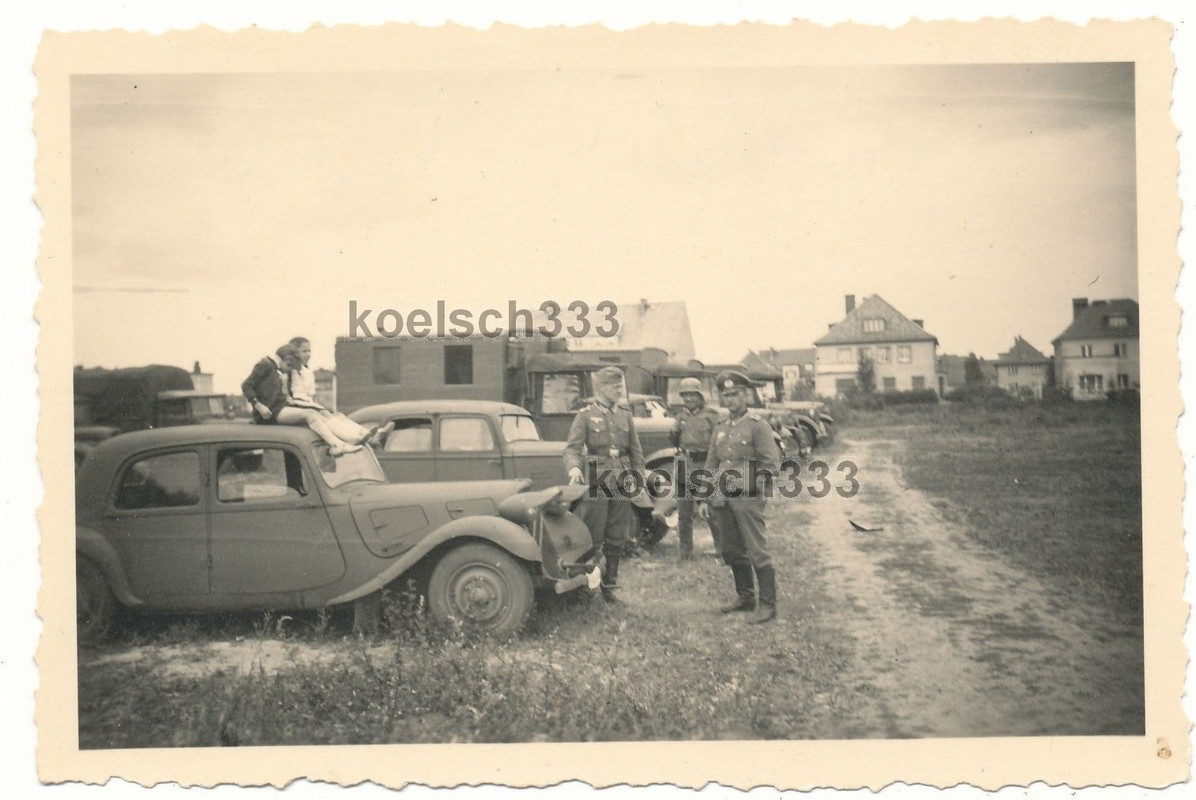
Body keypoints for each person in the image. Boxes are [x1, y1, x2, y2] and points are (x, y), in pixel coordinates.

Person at [705, 370, 782, 624]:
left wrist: (755, 494)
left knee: (756, 549)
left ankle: (768, 605)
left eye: (735, 394)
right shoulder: (721, 426)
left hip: (747, 497)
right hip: (722, 498)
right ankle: (745, 596)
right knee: (731, 549)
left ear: (746, 395)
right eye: (725, 395)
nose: (730, 400)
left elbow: (770, 464)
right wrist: (705, 495)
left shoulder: (757, 425)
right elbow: (711, 464)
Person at [564, 366, 644, 602]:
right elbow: (573, 448)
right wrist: (574, 467)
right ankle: (583, 586)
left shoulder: (625, 414)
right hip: (597, 478)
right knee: (592, 533)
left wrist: (638, 477)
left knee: (617, 534)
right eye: (615, 386)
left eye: (621, 385)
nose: (620, 390)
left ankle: (610, 587)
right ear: (601, 388)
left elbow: (636, 450)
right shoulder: (586, 415)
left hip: (621, 478)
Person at [241, 344, 362, 456]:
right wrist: (258, 406)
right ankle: (337, 445)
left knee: (317, 414)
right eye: (290, 366)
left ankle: (342, 442)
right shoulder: (265, 364)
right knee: (310, 415)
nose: (288, 370)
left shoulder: (275, 370)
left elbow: (278, 396)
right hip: (268, 413)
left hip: (278, 409)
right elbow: (246, 385)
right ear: (287, 360)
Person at [287, 336, 393, 446]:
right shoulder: (293, 371)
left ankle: (369, 435)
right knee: (326, 416)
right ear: (295, 354)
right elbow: (296, 396)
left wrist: (316, 406)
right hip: (300, 408)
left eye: (309, 351)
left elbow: (311, 396)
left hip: (309, 405)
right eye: (304, 351)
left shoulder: (306, 371)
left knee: (338, 415)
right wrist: (315, 407)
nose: (308, 354)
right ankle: (354, 438)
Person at [670, 377, 722, 560]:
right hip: (685, 466)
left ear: (700, 396)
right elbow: (675, 439)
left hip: (704, 466)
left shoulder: (712, 416)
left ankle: (721, 550)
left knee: (711, 511)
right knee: (684, 513)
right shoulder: (680, 415)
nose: (689, 399)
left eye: (692, 395)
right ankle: (685, 551)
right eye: (685, 395)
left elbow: (718, 444)